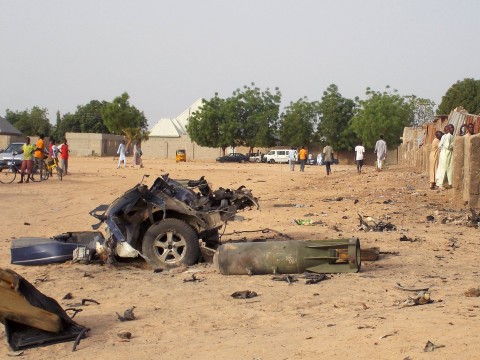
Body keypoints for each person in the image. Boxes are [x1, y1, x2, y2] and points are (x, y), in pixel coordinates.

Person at [435, 124, 455, 189]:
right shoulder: (448, 136)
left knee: (447, 168)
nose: (452, 128)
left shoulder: (450, 136)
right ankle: (441, 184)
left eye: (453, 127)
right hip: (446, 154)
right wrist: (453, 145)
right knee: (444, 168)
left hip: (446, 153)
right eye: (451, 128)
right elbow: (447, 146)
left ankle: (447, 183)